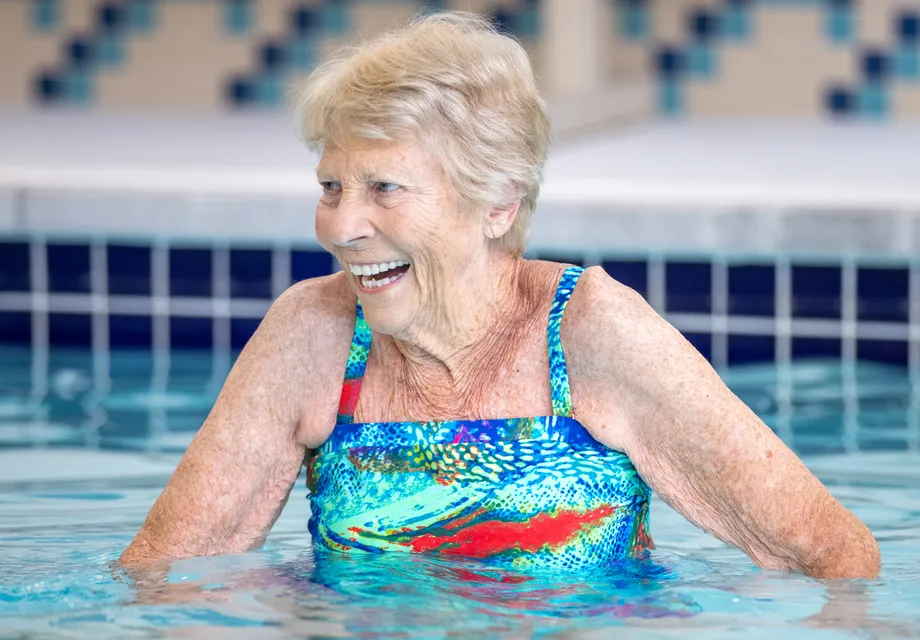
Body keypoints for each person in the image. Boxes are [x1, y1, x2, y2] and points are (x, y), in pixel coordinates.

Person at [120, 12, 879, 578]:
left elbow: (833, 557)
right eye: (331, 186)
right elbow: (162, 575)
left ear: (498, 204)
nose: (341, 227)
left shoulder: (591, 332)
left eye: (384, 188)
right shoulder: (312, 333)